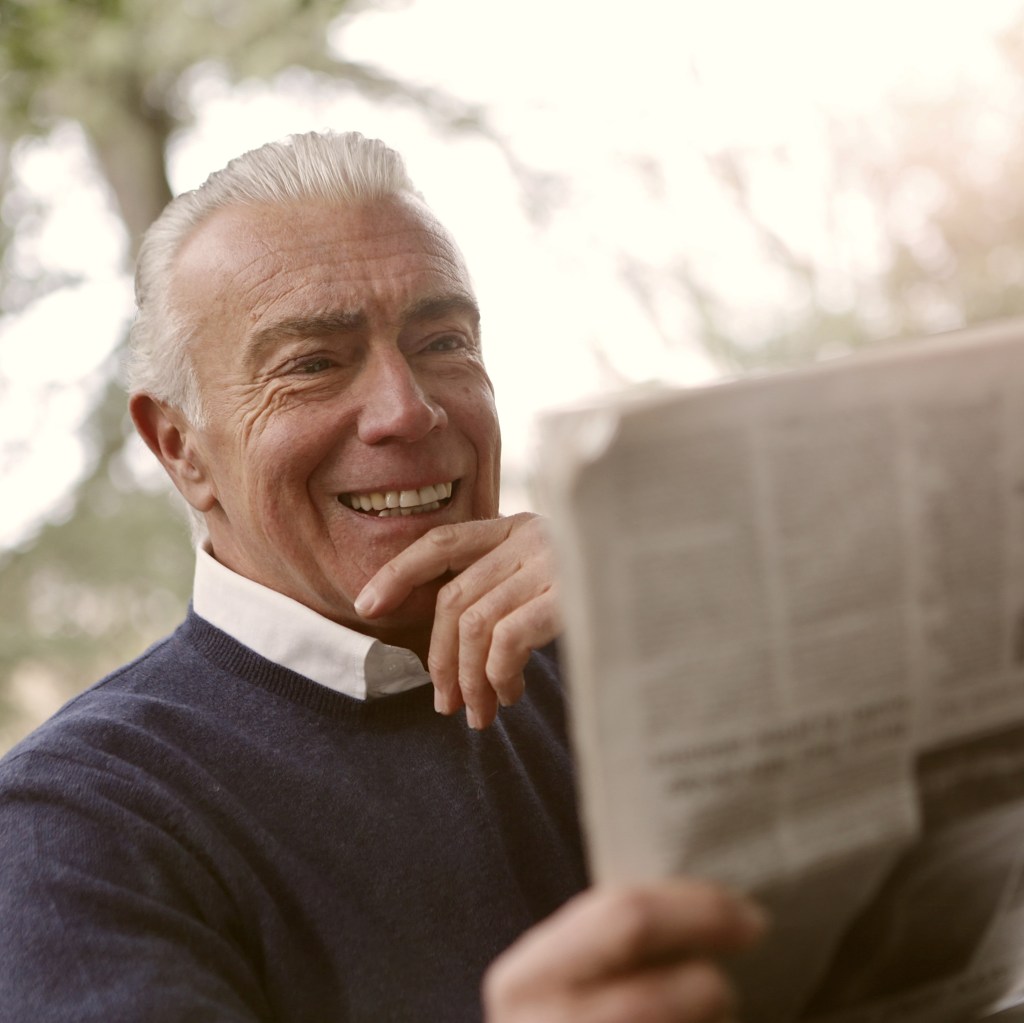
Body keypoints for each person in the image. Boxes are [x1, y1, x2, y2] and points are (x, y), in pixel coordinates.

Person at [0, 131, 765, 1021]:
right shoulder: (71, 825)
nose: (409, 408)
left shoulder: (622, 653)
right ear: (182, 449)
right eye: (313, 364)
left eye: (442, 340)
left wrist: (670, 613)